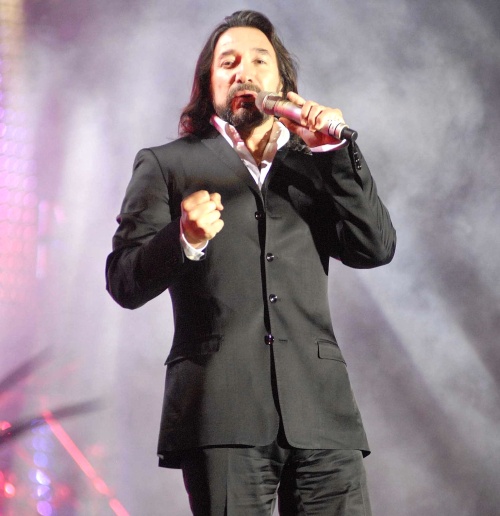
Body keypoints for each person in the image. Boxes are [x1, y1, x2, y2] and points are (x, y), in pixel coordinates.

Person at [106, 9, 396, 516]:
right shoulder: (167, 163)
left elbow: (375, 247)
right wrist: (182, 237)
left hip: (323, 413)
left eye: (260, 61)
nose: (244, 71)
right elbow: (123, 281)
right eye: (229, 62)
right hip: (221, 412)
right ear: (209, 84)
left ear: (282, 82)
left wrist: (332, 152)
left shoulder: (316, 161)